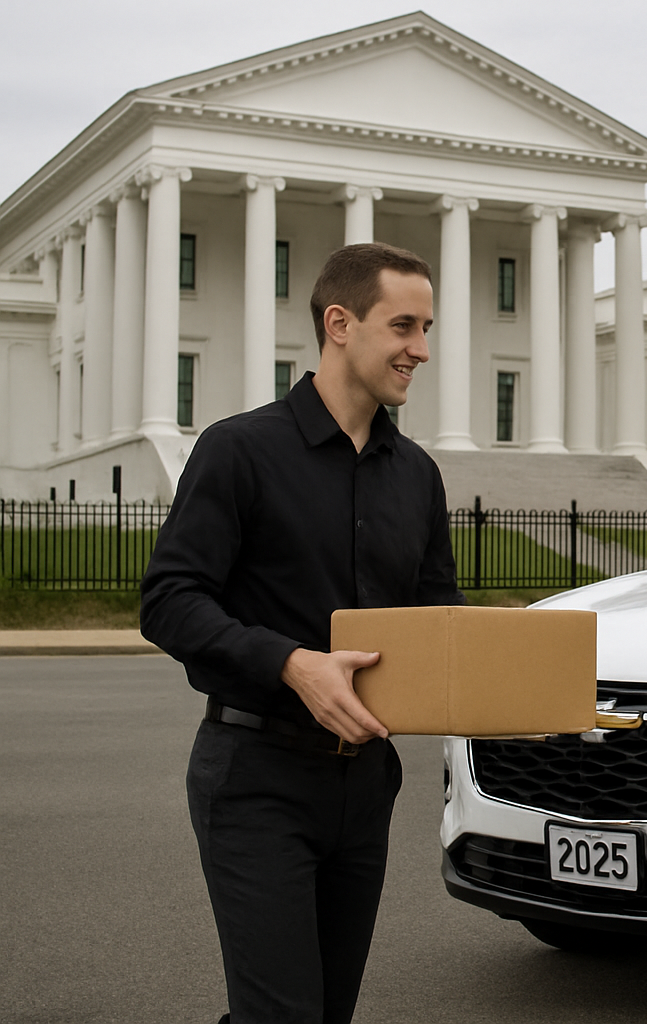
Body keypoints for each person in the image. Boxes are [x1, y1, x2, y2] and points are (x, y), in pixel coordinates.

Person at [141, 242, 464, 1024]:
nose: (422, 349)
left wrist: (527, 701)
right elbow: (169, 600)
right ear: (340, 323)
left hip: (364, 786)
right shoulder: (239, 450)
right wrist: (290, 663)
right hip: (256, 778)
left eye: (427, 327)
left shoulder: (417, 475)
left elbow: (437, 623)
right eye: (405, 326)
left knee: (320, 1013)